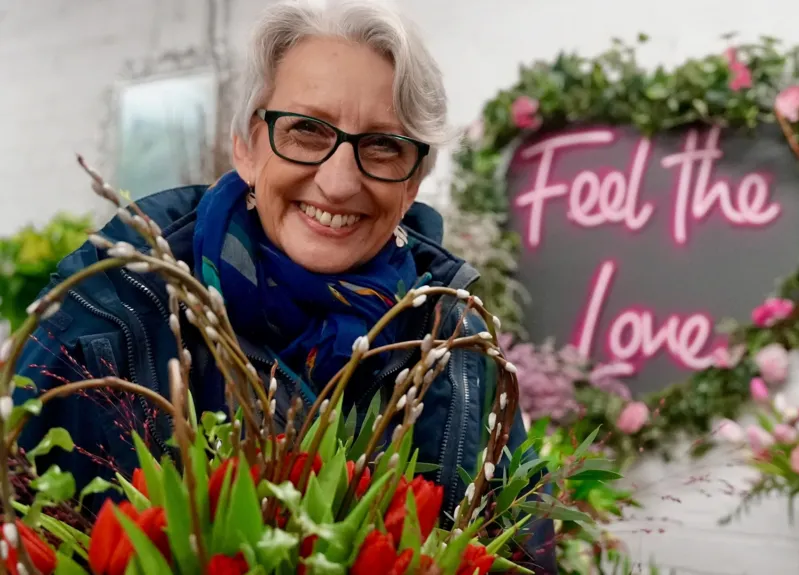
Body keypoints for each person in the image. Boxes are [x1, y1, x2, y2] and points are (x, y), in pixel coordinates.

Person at [13, 0, 553, 570]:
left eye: (383, 145)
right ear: (246, 145)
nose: (340, 182)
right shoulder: (115, 314)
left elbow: (522, 550)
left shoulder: (459, 351)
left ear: (415, 179)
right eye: (305, 131)